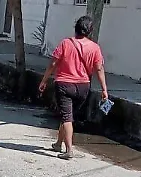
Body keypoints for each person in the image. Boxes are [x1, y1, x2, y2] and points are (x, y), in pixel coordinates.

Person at [38, 15, 109, 160]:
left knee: (67, 117)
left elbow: (53, 64)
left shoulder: (65, 43)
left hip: (64, 85)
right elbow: (99, 69)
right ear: (89, 31)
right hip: (83, 87)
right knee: (68, 116)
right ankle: (58, 143)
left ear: (76, 28)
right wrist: (104, 89)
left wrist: (44, 80)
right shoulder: (95, 48)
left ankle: (69, 150)